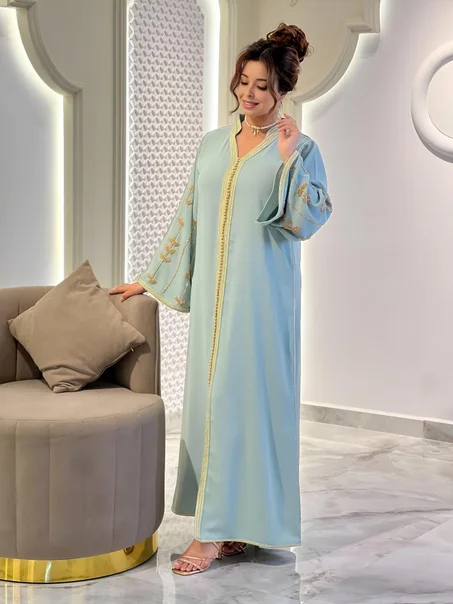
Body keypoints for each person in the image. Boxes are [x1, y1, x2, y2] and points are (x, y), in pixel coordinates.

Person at [110, 22, 332, 577]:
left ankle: (211, 535)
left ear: (283, 92)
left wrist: (287, 160)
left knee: (246, 407)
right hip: (213, 303)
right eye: (243, 81)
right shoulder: (213, 143)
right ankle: (229, 524)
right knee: (213, 406)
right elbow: (189, 216)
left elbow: (310, 218)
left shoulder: (301, 148)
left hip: (263, 303)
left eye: (262, 86)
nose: (248, 93)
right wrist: (149, 279)